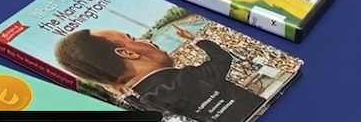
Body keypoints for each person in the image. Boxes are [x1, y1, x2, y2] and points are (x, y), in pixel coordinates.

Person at [54, 27, 264, 122]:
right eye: (133, 37)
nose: (147, 40)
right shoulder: (186, 78)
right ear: (128, 52)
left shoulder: (141, 103)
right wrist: (198, 40)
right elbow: (222, 59)